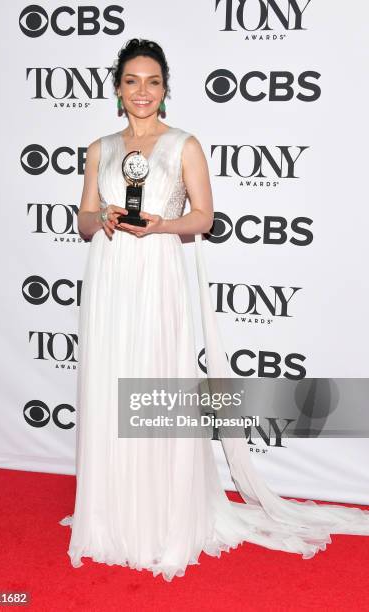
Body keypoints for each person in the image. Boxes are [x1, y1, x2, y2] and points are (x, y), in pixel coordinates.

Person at [59, 38, 369, 582]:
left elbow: (203, 217)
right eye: (132, 81)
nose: (142, 92)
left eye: (153, 81)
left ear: (165, 88)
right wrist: (103, 219)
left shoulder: (184, 145)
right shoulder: (99, 148)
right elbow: (82, 219)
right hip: (109, 278)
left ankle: (162, 515)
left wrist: (159, 224)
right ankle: (111, 514)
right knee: (109, 385)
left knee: (149, 381)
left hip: (157, 275)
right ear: (116, 88)